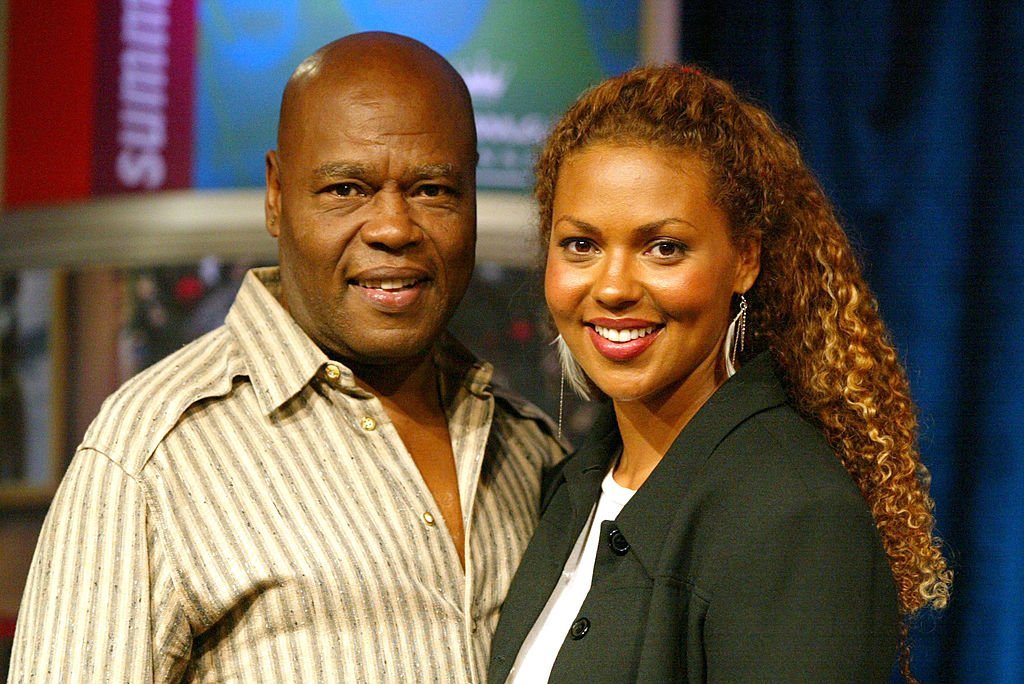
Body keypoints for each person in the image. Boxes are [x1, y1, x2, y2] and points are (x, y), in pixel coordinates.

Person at [10, 32, 564, 682]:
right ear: (276, 195)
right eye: (345, 189)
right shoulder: (151, 458)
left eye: (434, 190)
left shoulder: (532, 453)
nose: (393, 227)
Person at [488, 64, 951, 683]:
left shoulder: (794, 514)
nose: (614, 286)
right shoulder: (570, 486)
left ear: (745, 260)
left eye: (664, 248)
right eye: (581, 245)